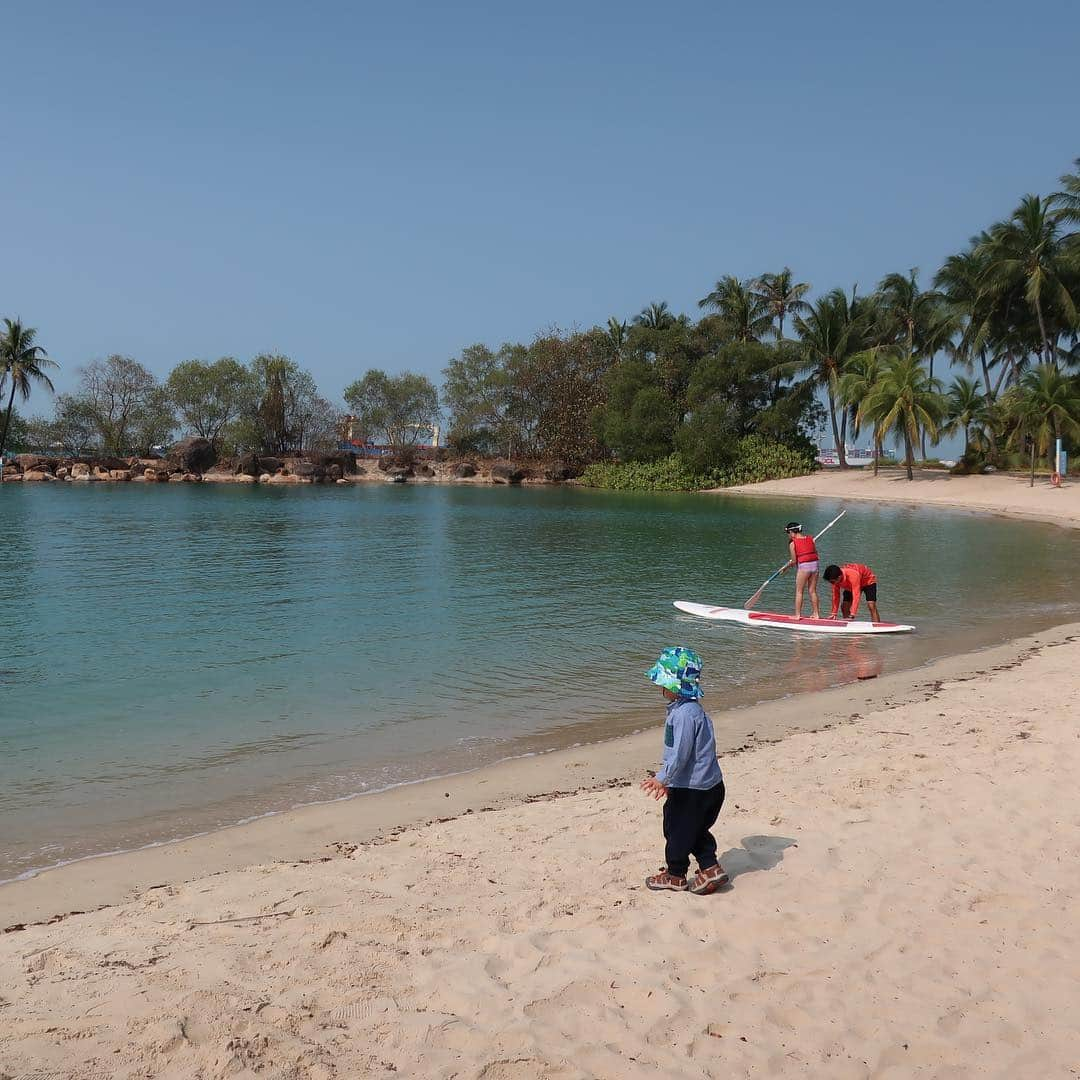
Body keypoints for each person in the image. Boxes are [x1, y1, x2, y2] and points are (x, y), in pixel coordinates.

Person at [640, 647, 728, 895]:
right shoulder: (694, 710)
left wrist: (663, 778)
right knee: (696, 828)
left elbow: (681, 753)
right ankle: (710, 867)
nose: (660, 688)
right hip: (710, 785)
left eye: (663, 683)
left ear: (675, 686)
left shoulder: (684, 716)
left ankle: (675, 874)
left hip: (692, 789)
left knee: (676, 829)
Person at [779, 521, 821, 619]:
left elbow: (793, 561)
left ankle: (797, 615)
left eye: (788, 533)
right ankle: (816, 614)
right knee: (812, 591)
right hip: (815, 566)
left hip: (804, 568)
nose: (788, 536)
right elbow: (815, 553)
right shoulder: (811, 539)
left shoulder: (792, 543)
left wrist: (784, 568)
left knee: (799, 591)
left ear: (792, 532)